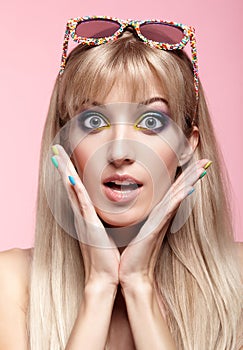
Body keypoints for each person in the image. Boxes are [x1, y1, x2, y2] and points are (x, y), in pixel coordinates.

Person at [0, 16, 242, 350]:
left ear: (188, 145)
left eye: (152, 121)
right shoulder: (10, 283)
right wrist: (97, 288)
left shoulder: (238, 280)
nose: (120, 152)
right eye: (94, 121)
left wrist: (139, 286)